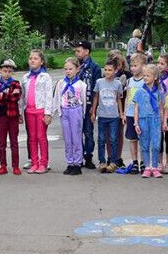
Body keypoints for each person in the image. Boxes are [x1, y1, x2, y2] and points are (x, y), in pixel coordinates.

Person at [50, 57, 87, 175]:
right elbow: (57, 98)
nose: (68, 71)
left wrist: (82, 113)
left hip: (76, 111)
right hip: (65, 111)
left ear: (77, 69)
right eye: (66, 69)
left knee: (76, 138)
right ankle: (70, 162)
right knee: (67, 138)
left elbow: (83, 100)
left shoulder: (81, 85)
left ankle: (77, 163)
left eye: (71, 69)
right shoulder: (61, 83)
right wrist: (55, 112)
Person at [21, 49, 54, 173]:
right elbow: (22, 97)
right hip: (29, 111)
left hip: (40, 111)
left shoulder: (45, 77)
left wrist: (48, 113)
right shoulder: (25, 77)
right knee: (32, 138)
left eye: (35, 58)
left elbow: (48, 95)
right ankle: (34, 162)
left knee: (41, 137)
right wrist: (21, 112)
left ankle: (43, 163)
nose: (32, 60)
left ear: (41, 62)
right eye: (30, 58)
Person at [134, 64, 167, 178]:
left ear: (155, 77)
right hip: (143, 120)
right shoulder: (139, 91)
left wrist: (164, 122)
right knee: (144, 144)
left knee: (156, 144)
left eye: (148, 75)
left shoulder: (159, 93)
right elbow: (137, 108)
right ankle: (147, 167)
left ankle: (155, 166)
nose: (145, 77)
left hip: (155, 120)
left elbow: (162, 108)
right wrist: (136, 123)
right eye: (144, 75)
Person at [73, 41, 102, 169]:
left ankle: (89, 157)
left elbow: (97, 89)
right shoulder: (74, 66)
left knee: (88, 132)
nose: (76, 53)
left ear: (87, 51)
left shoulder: (94, 67)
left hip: (89, 104)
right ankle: (79, 156)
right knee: (77, 132)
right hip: (76, 105)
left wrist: (94, 109)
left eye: (78, 50)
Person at [116, 53, 146, 175]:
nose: (132, 68)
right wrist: (123, 113)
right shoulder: (129, 81)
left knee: (143, 139)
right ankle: (134, 162)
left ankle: (144, 162)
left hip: (142, 114)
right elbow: (127, 97)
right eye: (131, 66)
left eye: (135, 65)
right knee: (132, 139)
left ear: (143, 66)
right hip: (130, 113)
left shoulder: (146, 80)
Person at [91, 61, 124, 173]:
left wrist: (121, 113)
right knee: (101, 139)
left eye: (110, 70)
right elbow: (96, 97)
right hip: (102, 115)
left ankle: (113, 162)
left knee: (113, 139)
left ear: (115, 71)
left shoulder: (117, 83)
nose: (107, 72)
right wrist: (93, 112)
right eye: (105, 69)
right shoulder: (99, 82)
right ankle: (102, 161)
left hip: (113, 116)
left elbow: (118, 99)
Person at [0, 59, 22, 175]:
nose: (7, 73)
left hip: (13, 116)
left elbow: (16, 97)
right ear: (0, 71)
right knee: (1, 142)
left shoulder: (16, 83)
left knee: (14, 142)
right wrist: (9, 94)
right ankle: (3, 165)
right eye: (5, 71)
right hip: (1, 116)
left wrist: (3, 95)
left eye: (10, 71)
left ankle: (16, 166)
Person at [157, 53, 168, 172]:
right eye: (158, 63)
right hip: (158, 112)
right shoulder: (156, 78)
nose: (159, 65)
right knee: (158, 139)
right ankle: (159, 162)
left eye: (162, 64)